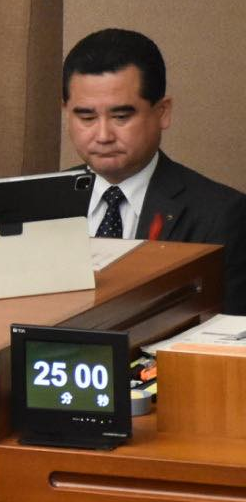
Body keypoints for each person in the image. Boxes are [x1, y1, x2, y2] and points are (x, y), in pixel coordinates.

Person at [63, 29, 246, 313]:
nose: (102, 135)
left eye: (121, 117)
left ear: (162, 112)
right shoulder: (36, 207)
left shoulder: (221, 215)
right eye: (86, 117)